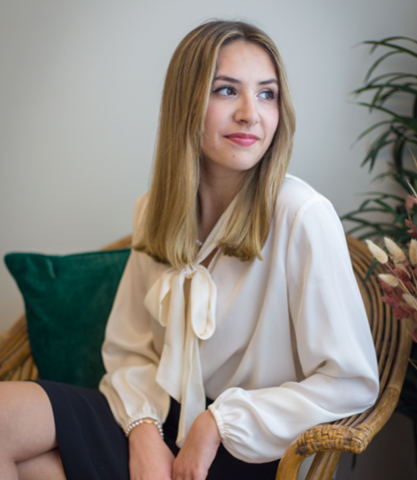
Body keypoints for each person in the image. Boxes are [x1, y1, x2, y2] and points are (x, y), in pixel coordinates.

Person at [0, 20, 379, 480]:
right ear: (186, 102)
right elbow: (129, 348)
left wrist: (217, 424)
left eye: (267, 94)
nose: (250, 113)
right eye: (226, 90)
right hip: (154, 417)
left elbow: (349, 383)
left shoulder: (302, 215)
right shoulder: (154, 210)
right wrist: (143, 433)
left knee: (37, 465)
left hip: (248, 444)